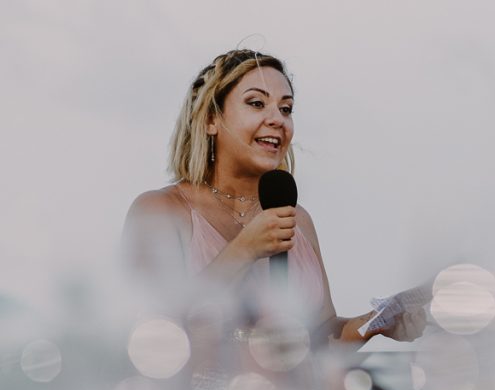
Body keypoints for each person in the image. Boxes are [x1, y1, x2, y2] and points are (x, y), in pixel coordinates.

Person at [122, 48, 422, 345]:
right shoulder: (159, 211)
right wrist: (243, 250)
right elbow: (153, 333)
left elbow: (320, 337)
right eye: (256, 103)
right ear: (211, 119)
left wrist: (377, 322)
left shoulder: (298, 219)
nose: (277, 119)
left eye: (286, 109)